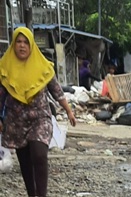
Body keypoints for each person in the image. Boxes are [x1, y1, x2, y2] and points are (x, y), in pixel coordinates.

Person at [0, 27, 76, 197]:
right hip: (15, 121)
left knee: (39, 154)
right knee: (25, 163)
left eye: (26, 42)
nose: (22, 46)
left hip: (40, 117)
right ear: (13, 44)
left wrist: (69, 111)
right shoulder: (4, 67)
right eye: (18, 42)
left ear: (32, 45)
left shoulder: (43, 66)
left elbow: (57, 91)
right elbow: (1, 96)